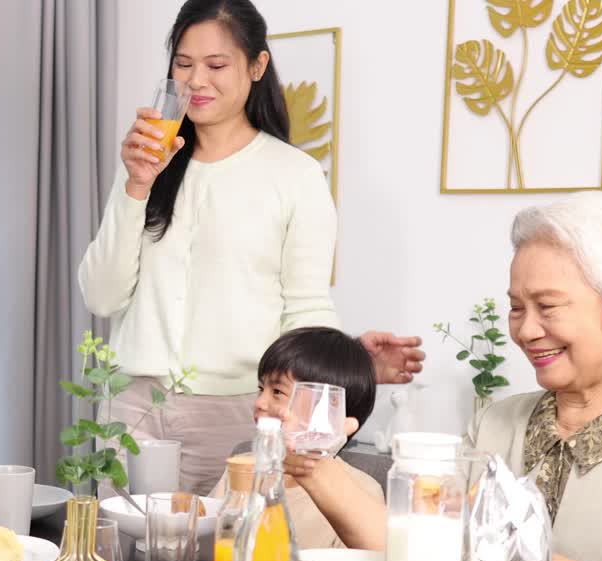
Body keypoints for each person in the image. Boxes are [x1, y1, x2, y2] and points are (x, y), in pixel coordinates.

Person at [291, 192, 602, 561]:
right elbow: (415, 547)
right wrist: (313, 466)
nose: (526, 330)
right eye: (517, 308)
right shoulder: (495, 424)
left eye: (548, 306)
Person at [77, 0, 423, 495]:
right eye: (183, 63)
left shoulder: (295, 177)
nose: (196, 80)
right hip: (131, 408)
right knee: (122, 543)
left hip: (237, 414)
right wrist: (136, 186)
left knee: (225, 544)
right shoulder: (148, 163)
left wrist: (344, 365)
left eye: (216, 65)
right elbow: (102, 296)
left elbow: (305, 308)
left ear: (257, 66)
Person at [209, 327, 387, 549]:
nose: (260, 402)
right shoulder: (242, 466)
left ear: (329, 409)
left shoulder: (363, 491)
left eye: (277, 392)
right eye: (261, 388)